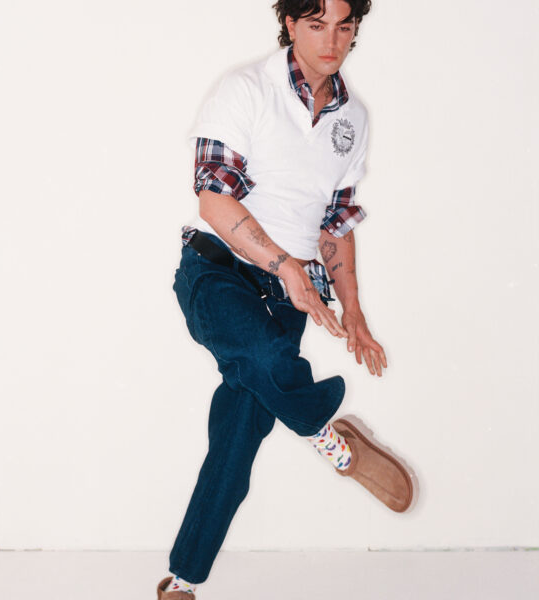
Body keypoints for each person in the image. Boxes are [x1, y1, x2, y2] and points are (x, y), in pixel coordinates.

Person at [156, 1, 413, 597]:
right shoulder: (245, 90)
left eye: (344, 26)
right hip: (217, 270)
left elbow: (335, 227)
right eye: (316, 24)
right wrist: (284, 264)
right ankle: (326, 433)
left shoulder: (354, 118)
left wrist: (355, 313)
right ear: (291, 24)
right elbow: (213, 200)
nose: (332, 40)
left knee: (237, 438)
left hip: (288, 297)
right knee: (266, 357)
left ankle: (182, 581)